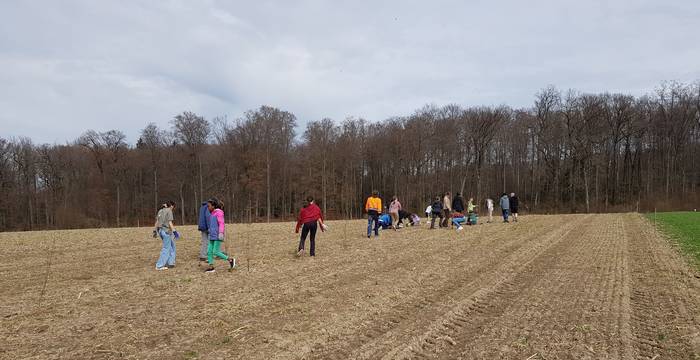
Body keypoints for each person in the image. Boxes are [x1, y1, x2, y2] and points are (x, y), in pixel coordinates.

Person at [205, 199, 235, 273]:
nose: (208, 208)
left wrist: (221, 233)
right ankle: (211, 267)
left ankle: (230, 260)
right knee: (209, 251)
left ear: (213, 206)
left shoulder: (219, 212)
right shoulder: (212, 214)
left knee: (216, 251)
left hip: (218, 235)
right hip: (212, 235)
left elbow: (221, 223)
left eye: (209, 206)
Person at [153, 201, 178, 271]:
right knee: (166, 248)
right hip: (166, 231)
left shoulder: (160, 211)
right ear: (171, 206)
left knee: (172, 246)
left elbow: (157, 222)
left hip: (160, 231)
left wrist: (155, 231)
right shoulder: (169, 211)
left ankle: (170, 263)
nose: (173, 208)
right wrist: (174, 231)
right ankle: (159, 265)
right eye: (173, 207)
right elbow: (170, 222)